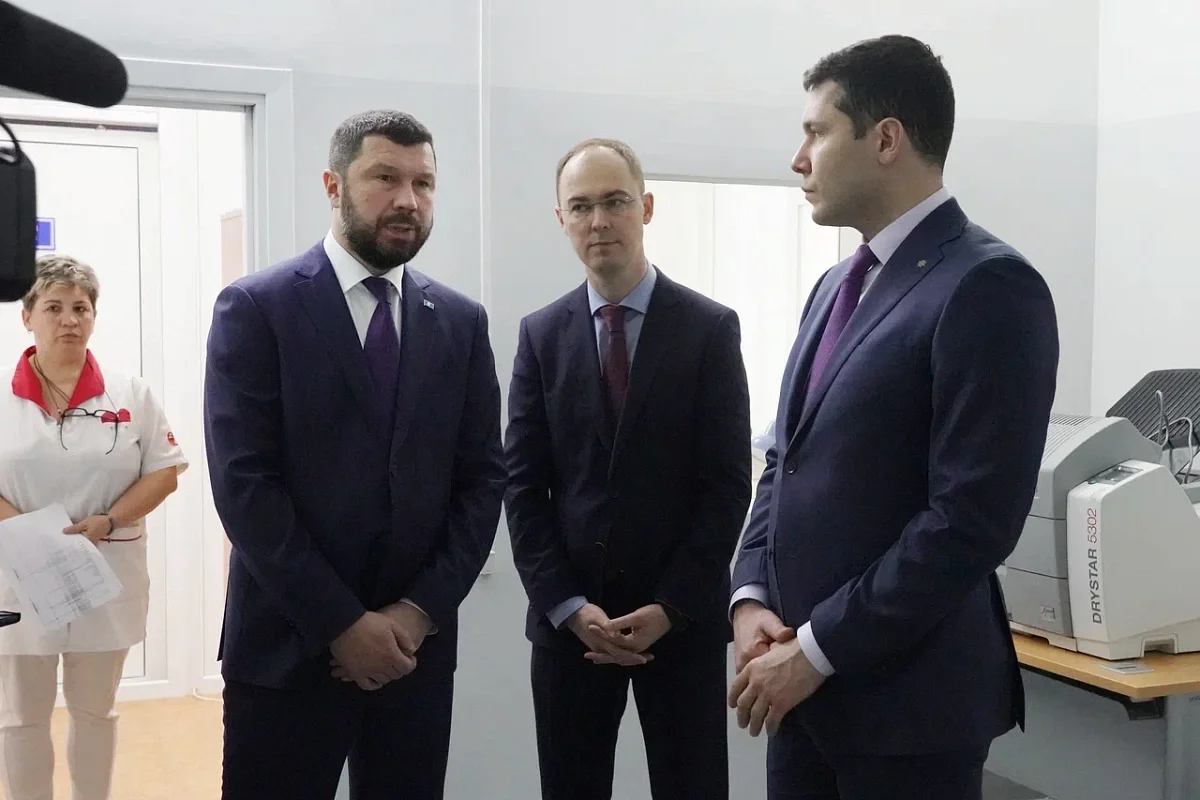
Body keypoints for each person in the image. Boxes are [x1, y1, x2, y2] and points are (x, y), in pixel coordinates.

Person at [727, 35, 1060, 800]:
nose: (797, 159)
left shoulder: (987, 285)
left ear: (885, 139)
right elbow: (785, 461)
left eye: (816, 132)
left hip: (907, 714)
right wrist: (751, 597)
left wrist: (818, 649)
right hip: (800, 699)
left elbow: (970, 519)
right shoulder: (834, 288)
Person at [204, 110, 505, 800]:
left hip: (412, 657)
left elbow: (482, 480)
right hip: (286, 650)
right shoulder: (257, 308)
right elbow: (245, 485)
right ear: (333, 185)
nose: (408, 200)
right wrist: (342, 624)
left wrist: (417, 612)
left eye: (423, 183)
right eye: (384, 178)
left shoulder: (460, 323)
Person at [504, 138, 753, 800]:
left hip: (681, 624)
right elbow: (523, 489)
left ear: (646, 207)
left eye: (614, 202)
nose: (599, 221)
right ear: (561, 218)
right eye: (581, 206)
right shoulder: (540, 335)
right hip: (571, 630)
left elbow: (727, 487)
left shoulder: (708, 329)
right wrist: (567, 606)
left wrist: (670, 606)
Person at [0, 254, 187, 800]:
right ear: (27, 317)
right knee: (20, 715)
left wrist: (109, 520)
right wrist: (31, 535)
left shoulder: (130, 393)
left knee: (95, 711)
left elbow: (165, 471)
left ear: (93, 316)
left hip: (106, 575)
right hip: (19, 580)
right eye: (53, 307)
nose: (69, 320)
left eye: (80, 308)